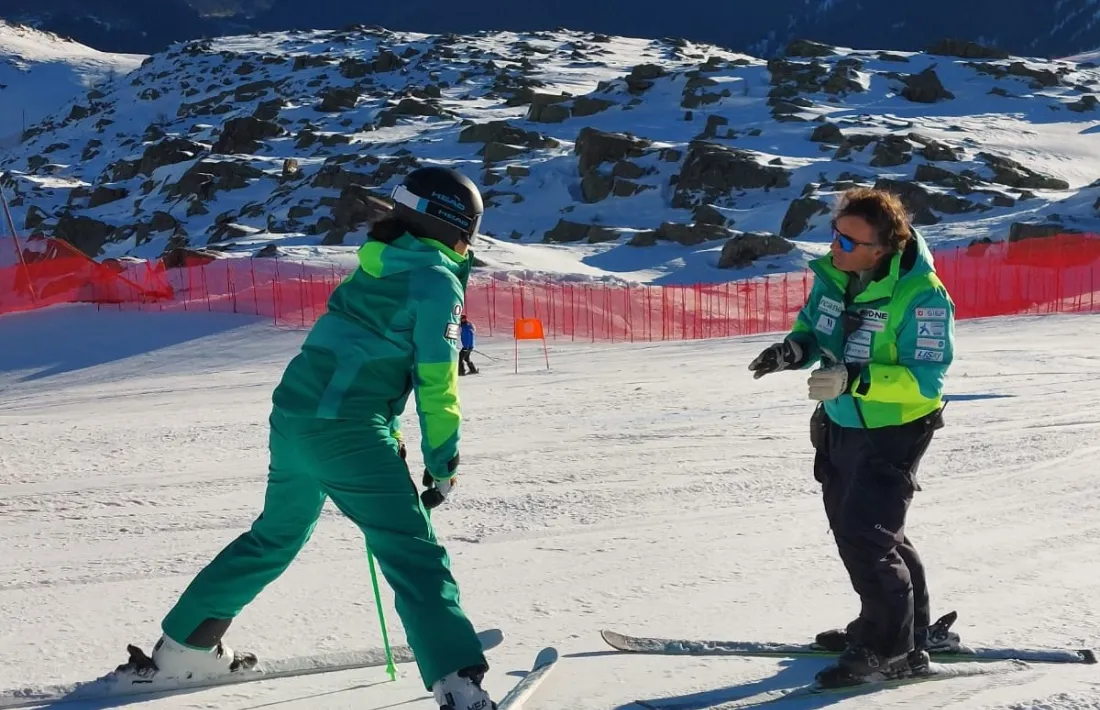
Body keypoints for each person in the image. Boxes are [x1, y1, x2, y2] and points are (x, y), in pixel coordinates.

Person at [115, 166, 497, 710]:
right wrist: (443, 462)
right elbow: (437, 382)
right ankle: (459, 685)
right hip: (347, 429)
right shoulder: (436, 279)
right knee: (412, 551)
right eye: (471, 230)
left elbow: (357, 350)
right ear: (453, 225)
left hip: (295, 416)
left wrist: (383, 424)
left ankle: (183, 650)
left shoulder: (377, 262)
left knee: (275, 535)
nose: (470, 243)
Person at [747, 187, 958, 688]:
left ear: (881, 248)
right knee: (865, 529)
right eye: (835, 235)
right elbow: (815, 332)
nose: (834, 248)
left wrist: (855, 379)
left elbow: (927, 379)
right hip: (841, 422)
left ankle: (892, 651)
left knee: (868, 537)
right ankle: (907, 627)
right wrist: (791, 352)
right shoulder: (834, 277)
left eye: (848, 241)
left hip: (896, 427)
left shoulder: (922, 295)